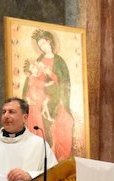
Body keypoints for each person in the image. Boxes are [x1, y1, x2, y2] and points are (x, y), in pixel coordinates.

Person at [23, 29, 74, 161]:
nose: (43, 48)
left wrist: (49, 73)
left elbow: (63, 81)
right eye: (40, 46)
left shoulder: (59, 61)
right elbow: (32, 78)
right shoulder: (39, 60)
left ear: (50, 42)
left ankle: (60, 155)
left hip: (55, 97)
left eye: (44, 44)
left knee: (66, 121)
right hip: (40, 97)